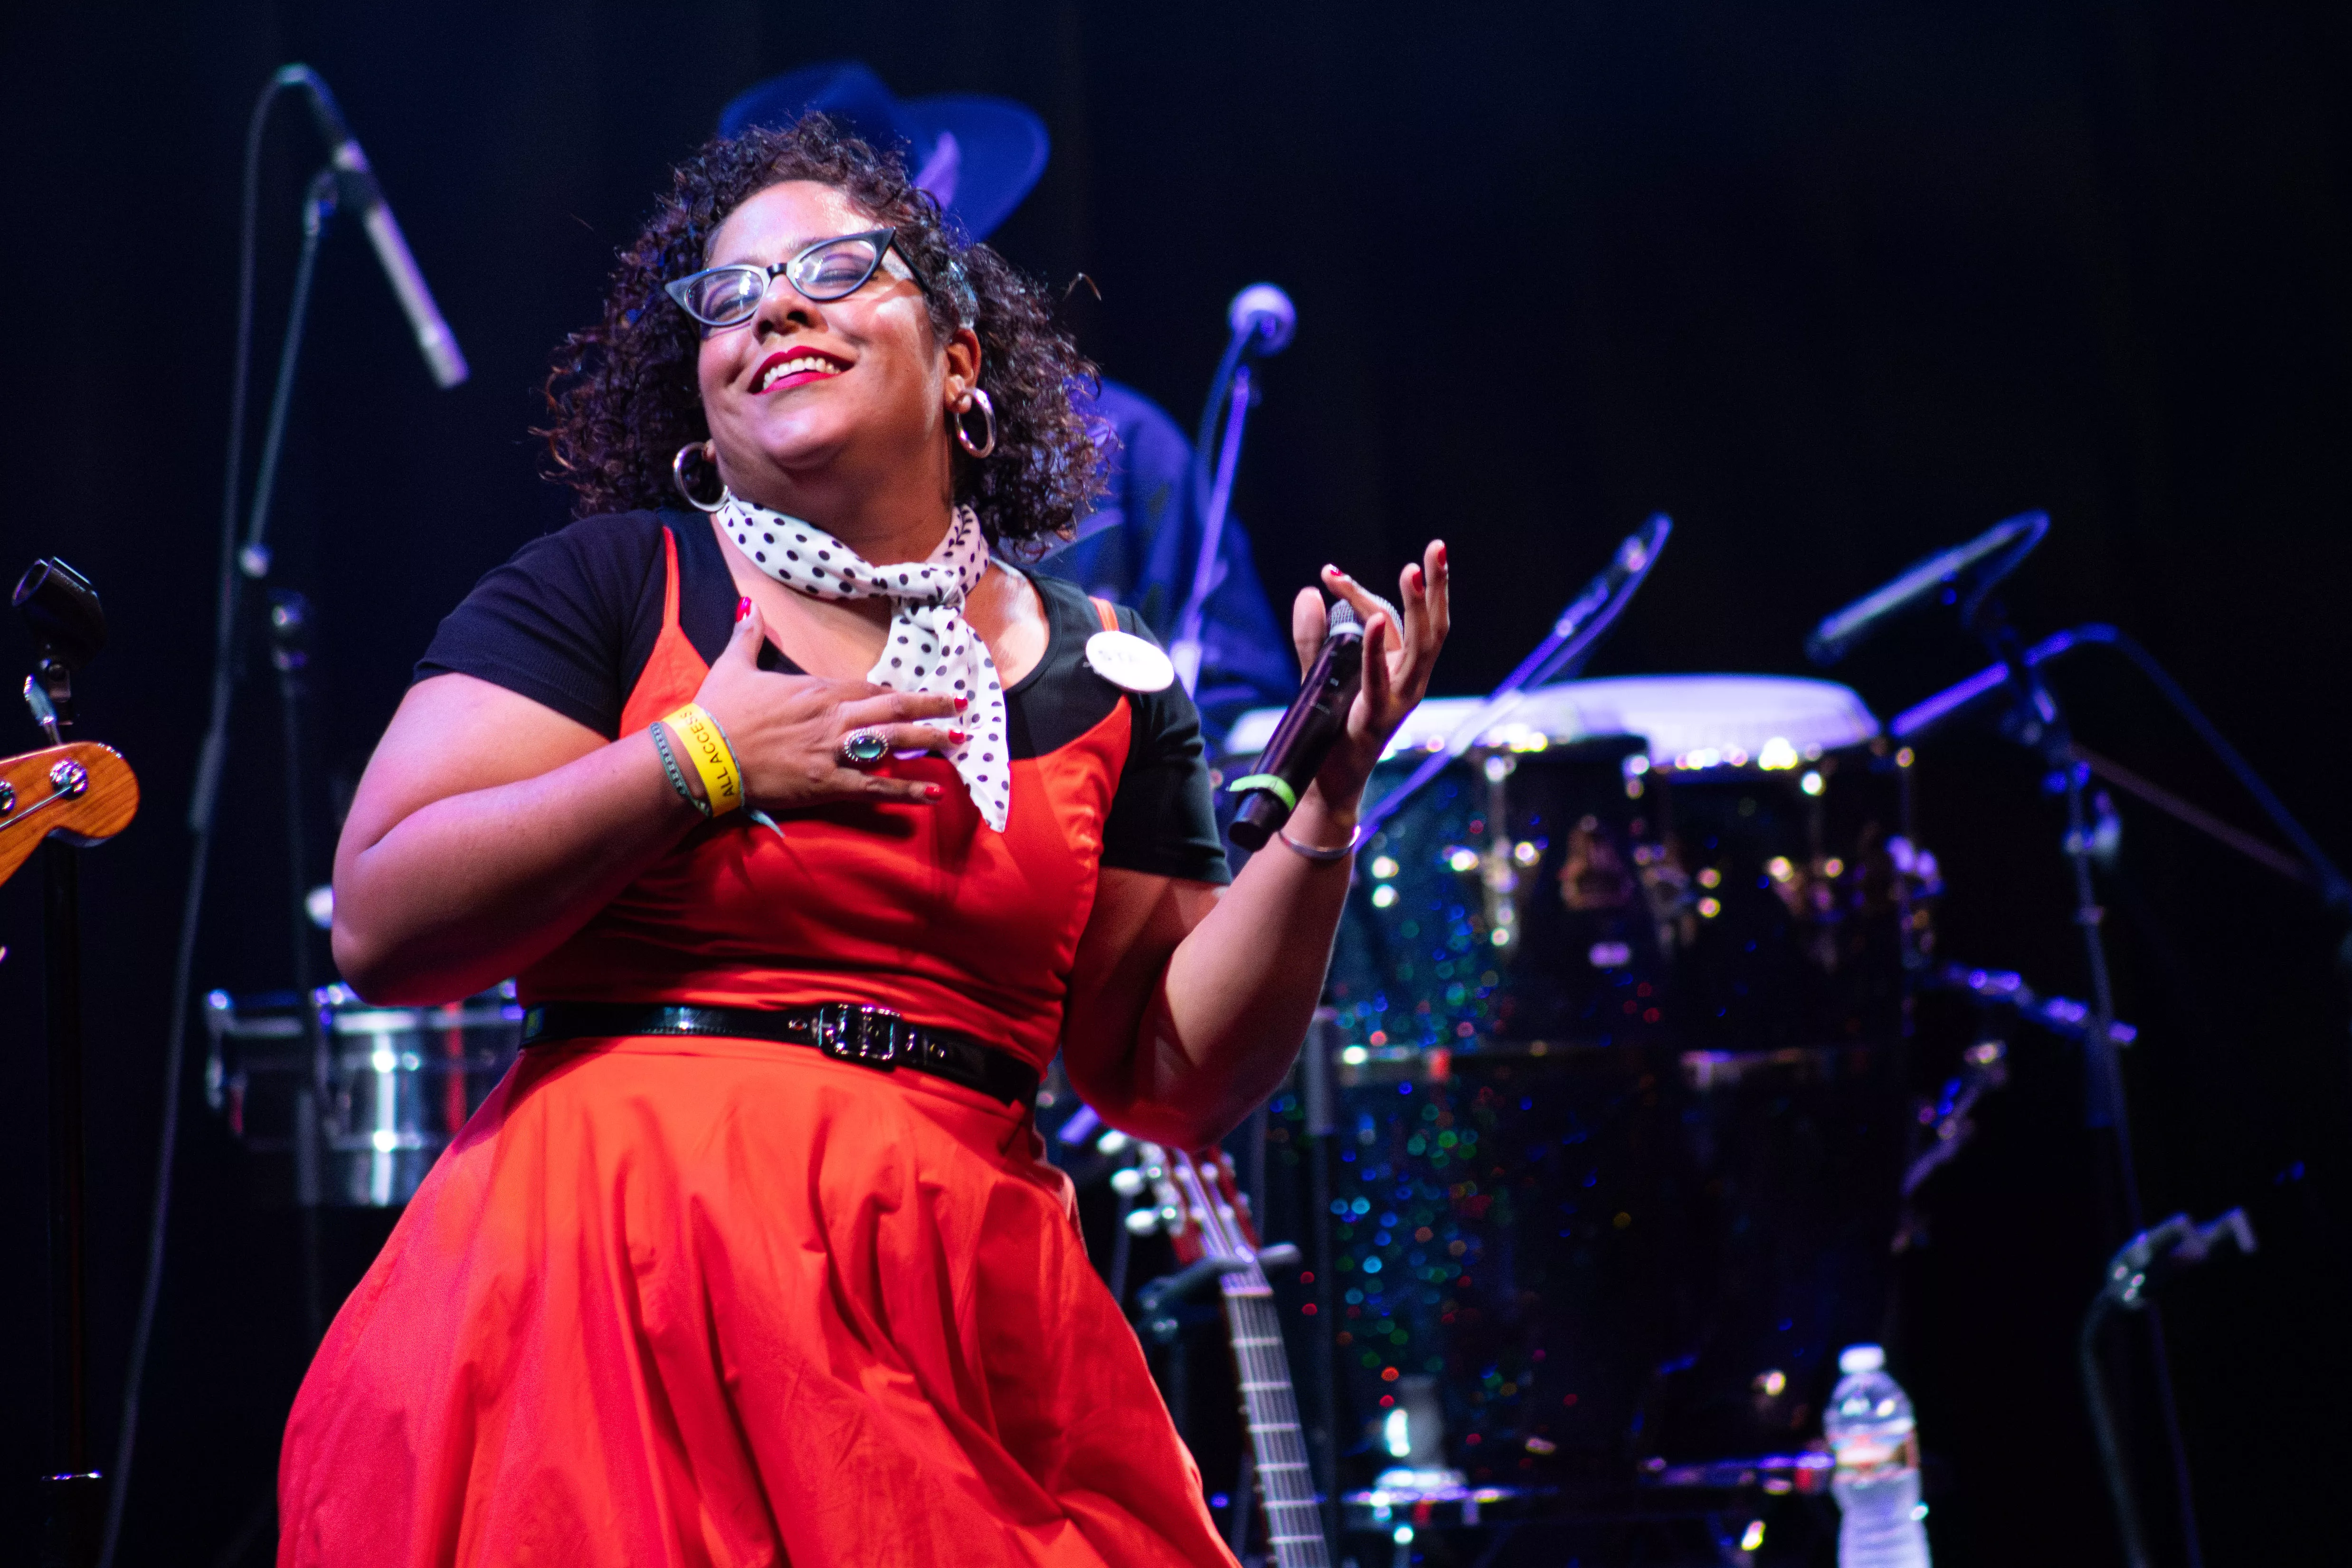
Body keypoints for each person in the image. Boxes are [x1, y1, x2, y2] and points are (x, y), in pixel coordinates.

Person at [275, 117, 1448, 1567]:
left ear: (960, 357)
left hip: (959, 1301)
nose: (775, 303)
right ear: (701, 404)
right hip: (615, 1276)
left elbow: (1164, 1072)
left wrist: (1323, 813)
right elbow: (383, 922)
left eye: (834, 266)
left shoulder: (1111, 673)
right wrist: (698, 762)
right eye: (728, 295)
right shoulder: (609, 589)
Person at [719, 60, 1299, 743]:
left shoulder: (1123, 446)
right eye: (749, 288)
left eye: (842, 267)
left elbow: (1236, 692)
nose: (790, 309)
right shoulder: (693, 546)